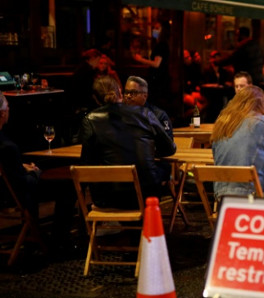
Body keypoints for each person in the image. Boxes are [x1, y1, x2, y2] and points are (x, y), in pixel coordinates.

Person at [79, 76, 176, 208]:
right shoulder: (145, 113)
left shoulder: (90, 119)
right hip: (147, 194)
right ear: (120, 91)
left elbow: (87, 161)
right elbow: (169, 149)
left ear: (95, 98)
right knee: (159, 171)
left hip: (108, 197)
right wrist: (148, 151)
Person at [0, 92, 76, 251]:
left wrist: (22, 167)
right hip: (13, 194)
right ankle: (59, 239)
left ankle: (40, 236)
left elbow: (11, 170)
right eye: (8, 106)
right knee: (67, 187)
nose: (9, 110)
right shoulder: (8, 147)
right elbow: (24, 183)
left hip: (6, 189)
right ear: (2, 113)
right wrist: (35, 171)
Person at [132, 21, 171, 107]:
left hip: (159, 81)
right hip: (159, 80)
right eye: (154, 28)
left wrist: (141, 59)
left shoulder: (161, 45)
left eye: (157, 28)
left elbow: (156, 64)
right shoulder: (160, 44)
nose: (154, 30)